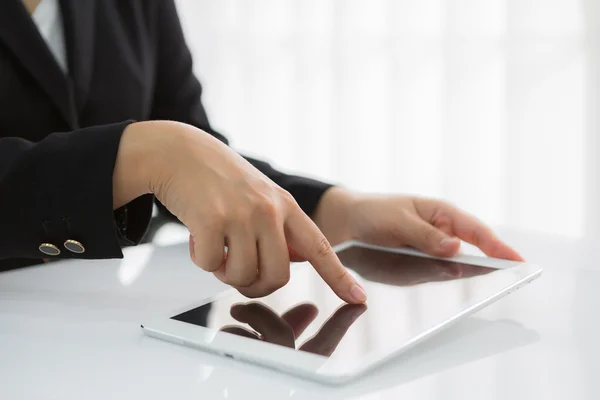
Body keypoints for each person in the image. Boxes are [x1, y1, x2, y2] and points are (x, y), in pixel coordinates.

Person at [0, 0, 523, 304]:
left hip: (100, 333)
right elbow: (166, 151)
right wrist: (140, 154)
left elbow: (197, 149)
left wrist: (339, 209)